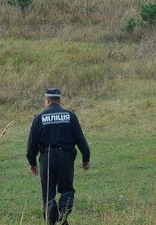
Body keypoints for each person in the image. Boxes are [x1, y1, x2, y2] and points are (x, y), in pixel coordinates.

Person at [26, 88, 90, 225]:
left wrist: (32, 163)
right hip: (65, 157)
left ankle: (51, 221)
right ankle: (64, 214)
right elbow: (80, 139)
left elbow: (31, 144)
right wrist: (86, 159)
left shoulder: (39, 118)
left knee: (48, 193)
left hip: (46, 158)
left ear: (47, 100)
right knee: (67, 189)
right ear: (59, 100)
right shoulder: (70, 116)